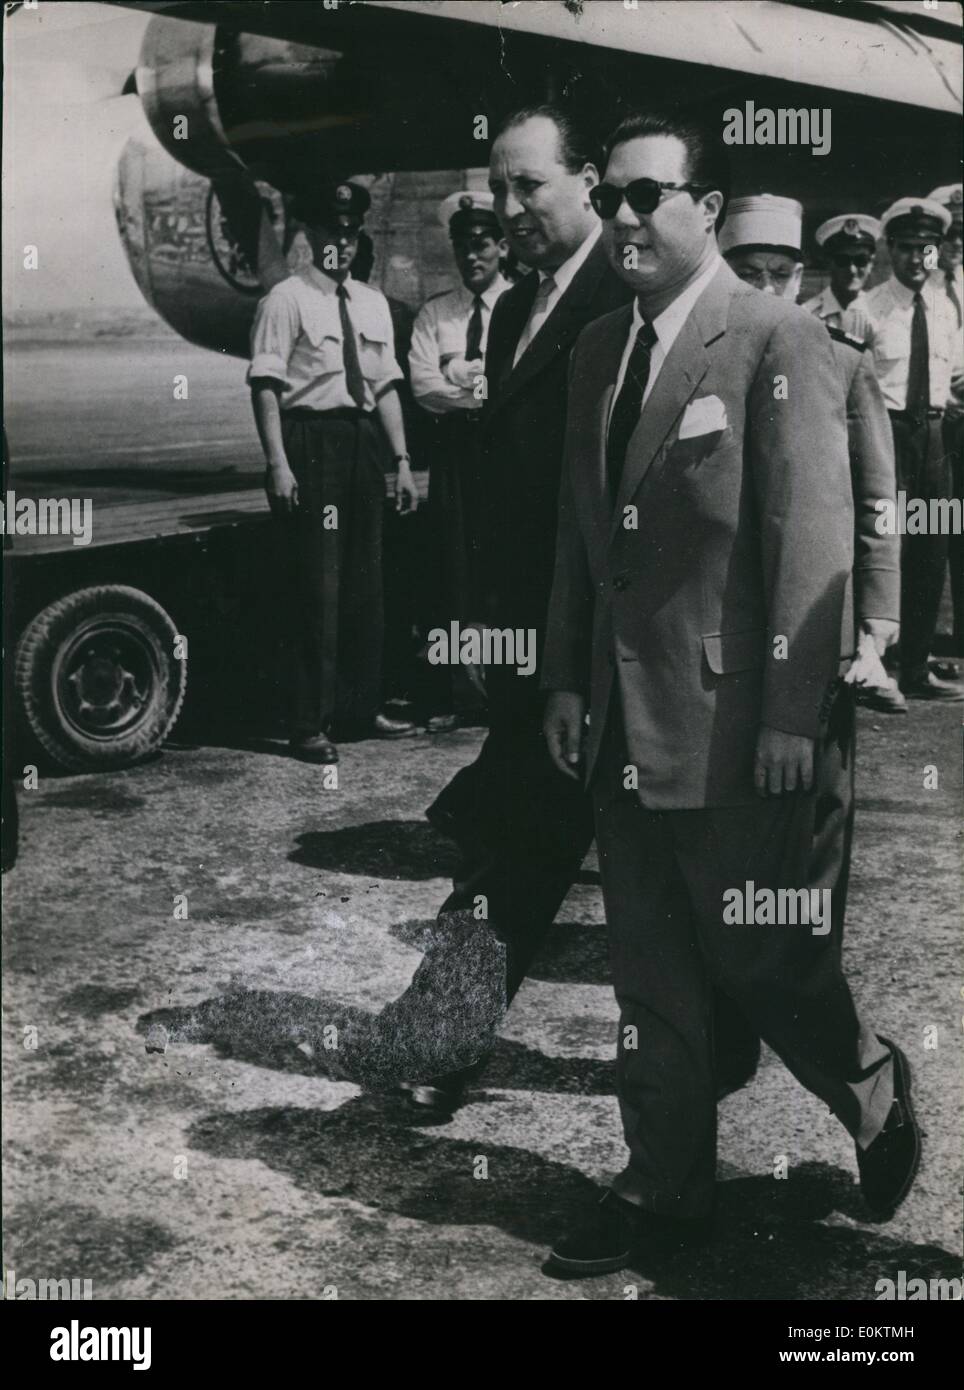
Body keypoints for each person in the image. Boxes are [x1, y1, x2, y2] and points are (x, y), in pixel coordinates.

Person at [541, 110, 919, 1276]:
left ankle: (870, 1084)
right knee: (650, 973)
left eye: (648, 193)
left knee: (762, 957)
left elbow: (810, 543)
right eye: (607, 196)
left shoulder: (773, 340)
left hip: (737, 725)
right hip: (619, 723)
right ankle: (665, 1189)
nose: (622, 216)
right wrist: (560, 677)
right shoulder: (601, 347)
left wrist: (794, 719)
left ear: (704, 210)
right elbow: (577, 538)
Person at [409, 105, 632, 1115]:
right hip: (540, 648)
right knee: (518, 843)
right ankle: (440, 1037)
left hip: (617, 648)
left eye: (528, 185)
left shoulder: (626, 301)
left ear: (588, 181)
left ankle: (855, 1080)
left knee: (699, 903)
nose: (507, 208)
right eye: (496, 187)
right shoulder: (511, 308)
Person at [717, 194, 900, 1089]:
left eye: (777, 276)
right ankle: (735, 1037)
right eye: (745, 275)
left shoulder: (841, 359)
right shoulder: (699, 357)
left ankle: (835, 1050)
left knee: (808, 866)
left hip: (814, 644)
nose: (763, 291)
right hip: (718, 648)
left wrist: (878, 627)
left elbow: (875, 502)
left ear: (802, 277)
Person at [248, 182, 419, 764]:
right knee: (318, 590)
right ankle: (307, 725)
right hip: (311, 444)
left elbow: (387, 385)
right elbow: (267, 386)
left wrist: (400, 461)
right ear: (310, 238)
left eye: (350, 236)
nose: (340, 246)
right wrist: (279, 463)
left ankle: (359, 707)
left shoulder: (370, 302)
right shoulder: (285, 300)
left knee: (366, 587)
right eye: (331, 235)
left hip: (362, 445)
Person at [408, 191, 510, 729]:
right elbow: (423, 386)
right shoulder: (436, 313)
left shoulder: (523, 305)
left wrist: (463, 380)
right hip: (454, 454)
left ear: (501, 247)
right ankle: (461, 695)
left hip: (506, 454)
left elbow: (517, 385)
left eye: (481, 245)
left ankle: (504, 691)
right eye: (462, 247)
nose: (472, 257)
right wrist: (481, 389)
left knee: (501, 564)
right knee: (455, 566)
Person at [864, 197, 963, 702]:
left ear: (938, 253)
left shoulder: (946, 309)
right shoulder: (871, 309)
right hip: (890, 438)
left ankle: (917, 667)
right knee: (888, 550)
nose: (917, 260)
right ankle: (875, 665)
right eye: (907, 249)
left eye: (927, 250)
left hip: (935, 441)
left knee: (931, 551)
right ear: (890, 251)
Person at [927, 184, 964, 663]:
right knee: (936, 527)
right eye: (952, 232)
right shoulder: (924, 289)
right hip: (939, 422)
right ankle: (916, 636)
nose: (958, 242)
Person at [801, 213, 880, 344]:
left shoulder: (880, 314)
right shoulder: (807, 315)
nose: (852, 270)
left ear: (871, 264)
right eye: (842, 260)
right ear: (828, 263)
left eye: (861, 261)